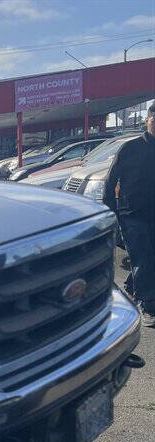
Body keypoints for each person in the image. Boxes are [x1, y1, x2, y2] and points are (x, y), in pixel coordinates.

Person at [103, 102, 155, 327]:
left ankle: (132, 289)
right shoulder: (130, 148)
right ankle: (148, 305)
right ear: (147, 120)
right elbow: (110, 182)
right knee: (143, 258)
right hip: (131, 214)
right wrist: (112, 214)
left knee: (148, 258)